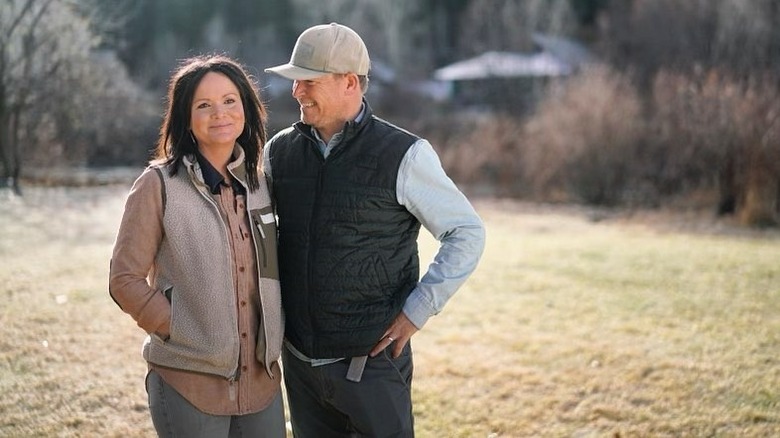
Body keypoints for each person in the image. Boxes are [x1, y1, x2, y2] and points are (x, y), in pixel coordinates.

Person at [263, 23, 486, 437]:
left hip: (371, 367)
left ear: (349, 82)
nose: (296, 92)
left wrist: (416, 312)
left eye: (308, 81)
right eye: (295, 82)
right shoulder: (278, 152)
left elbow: (466, 232)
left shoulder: (405, 155)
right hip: (299, 365)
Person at [109, 55, 285, 437]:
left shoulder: (261, 185)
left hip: (263, 383)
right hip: (188, 384)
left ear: (246, 109)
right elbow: (124, 280)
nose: (219, 113)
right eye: (203, 105)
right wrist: (177, 328)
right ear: (185, 117)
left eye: (229, 100)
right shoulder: (158, 185)